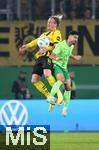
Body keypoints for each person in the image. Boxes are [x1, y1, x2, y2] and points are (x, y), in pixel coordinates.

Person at [19, 15, 63, 101]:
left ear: (56, 24)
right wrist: (26, 46)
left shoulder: (56, 33)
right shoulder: (44, 34)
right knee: (34, 80)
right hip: (40, 58)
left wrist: (48, 48)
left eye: (51, 22)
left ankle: (58, 93)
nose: (49, 23)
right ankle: (49, 96)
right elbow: (35, 41)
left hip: (49, 56)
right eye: (48, 22)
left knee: (47, 74)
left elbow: (57, 46)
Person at [48, 30, 81, 116]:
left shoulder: (71, 46)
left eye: (77, 38)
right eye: (75, 37)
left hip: (64, 68)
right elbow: (51, 55)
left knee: (68, 87)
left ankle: (64, 109)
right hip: (57, 65)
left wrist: (75, 57)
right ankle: (51, 97)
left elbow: (69, 54)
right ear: (69, 37)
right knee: (61, 80)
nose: (76, 40)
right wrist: (56, 59)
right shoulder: (60, 45)